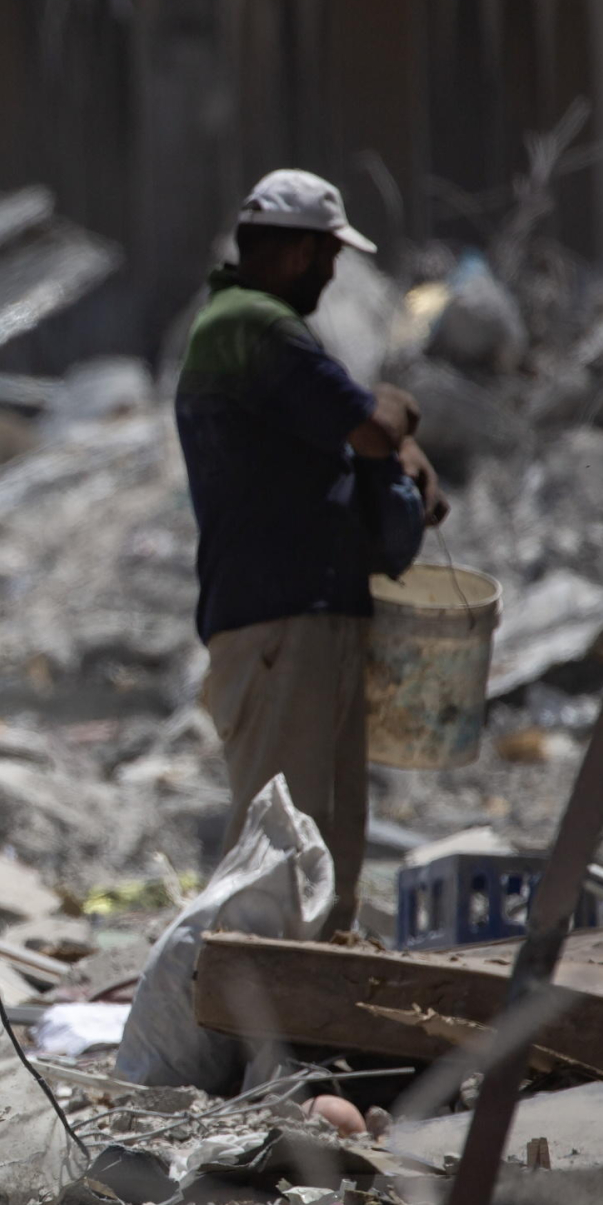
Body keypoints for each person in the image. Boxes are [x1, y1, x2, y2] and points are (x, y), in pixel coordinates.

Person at [175, 169, 448, 932]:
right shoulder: (250, 325)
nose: (332, 275)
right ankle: (246, 1029)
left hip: (309, 616)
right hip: (279, 621)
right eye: (328, 258)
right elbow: (370, 424)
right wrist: (399, 416)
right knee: (276, 854)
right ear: (298, 252)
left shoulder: (255, 327)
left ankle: (311, 1026)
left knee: (326, 847)